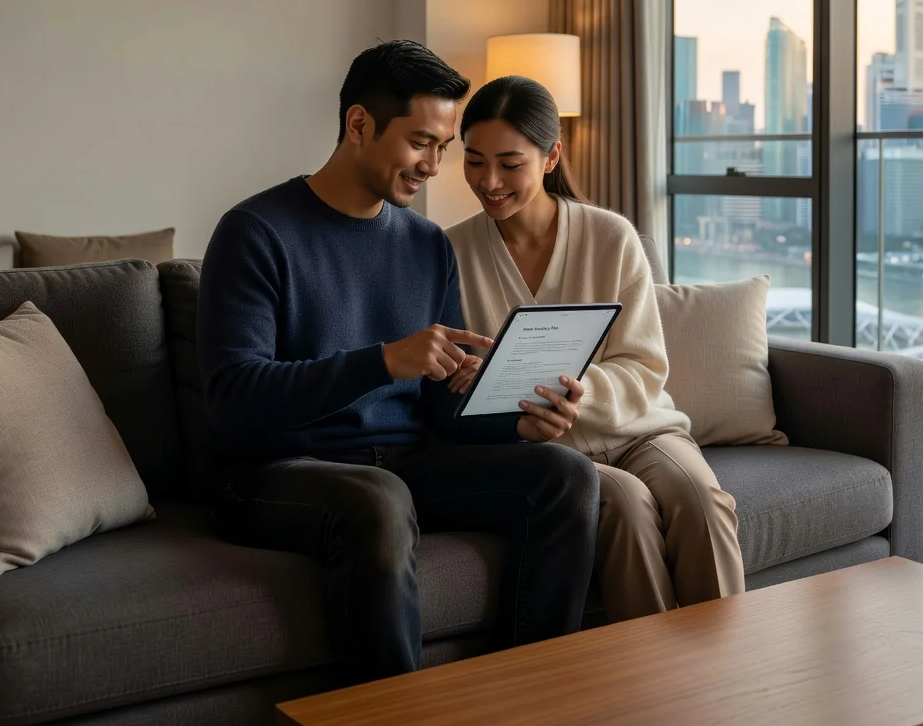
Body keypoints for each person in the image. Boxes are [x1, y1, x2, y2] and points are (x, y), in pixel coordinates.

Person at [197, 42, 599, 686]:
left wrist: (514, 421)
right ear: (360, 125)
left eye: (444, 147)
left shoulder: (426, 246)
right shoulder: (255, 231)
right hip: (274, 472)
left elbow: (438, 406)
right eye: (421, 142)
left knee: (564, 475)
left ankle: (532, 699)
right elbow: (235, 399)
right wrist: (383, 362)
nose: (436, 167)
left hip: (404, 464)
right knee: (377, 498)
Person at [445, 75, 745, 624]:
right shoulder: (450, 252)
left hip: (642, 430)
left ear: (551, 155)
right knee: (626, 509)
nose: (488, 181)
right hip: (548, 455)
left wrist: (579, 394)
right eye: (473, 161)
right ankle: (647, 688)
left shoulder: (612, 237)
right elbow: (458, 380)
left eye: (510, 164)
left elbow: (644, 365)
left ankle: (724, 677)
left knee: (702, 502)